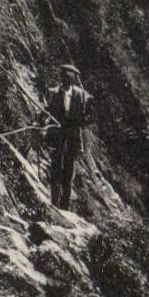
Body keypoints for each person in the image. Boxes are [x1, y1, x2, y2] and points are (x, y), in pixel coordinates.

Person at [43, 63, 92, 211]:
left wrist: (81, 121)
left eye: (68, 78)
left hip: (72, 137)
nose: (65, 80)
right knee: (55, 168)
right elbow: (46, 110)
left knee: (69, 171)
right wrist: (39, 122)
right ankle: (54, 203)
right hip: (56, 135)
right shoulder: (53, 92)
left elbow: (90, 116)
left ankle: (65, 206)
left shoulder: (81, 95)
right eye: (63, 77)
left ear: (73, 79)